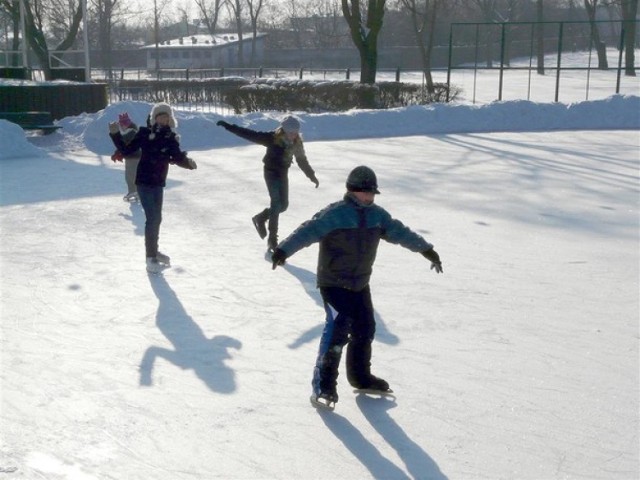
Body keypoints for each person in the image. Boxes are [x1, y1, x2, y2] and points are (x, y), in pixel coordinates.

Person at [271, 165, 443, 409]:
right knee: (338, 328)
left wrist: (426, 249)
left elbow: (399, 232)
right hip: (332, 282)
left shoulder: (377, 216)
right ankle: (324, 385)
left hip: (360, 282)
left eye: (372, 193)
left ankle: (360, 377)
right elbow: (308, 230)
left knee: (365, 327)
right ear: (352, 190)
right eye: (364, 192)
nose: (369, 197)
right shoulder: (336, 214)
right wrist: (283, 250)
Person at [109, 102, 197, 273]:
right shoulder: (144, 133)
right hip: (143, 181)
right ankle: (150, 258)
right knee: (152, 218)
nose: (164, 119)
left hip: (158, 183)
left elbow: (177, 157)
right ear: (154, 118)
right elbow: (127, 151)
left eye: (167, 116)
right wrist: (115, 135)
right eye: (161, 115)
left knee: (157, 219)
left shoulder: (170, 138)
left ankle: (154, 252)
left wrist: (188, 163)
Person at [216, 115, 319, 251]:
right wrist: (229, 126)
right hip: (270, 173)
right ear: (284, 130)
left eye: (295, 133)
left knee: (283, 206)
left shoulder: (297, 143)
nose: (293, 135)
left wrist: (311, 175)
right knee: (276, 204)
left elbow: (301, 160)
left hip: (282, 174)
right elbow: (250, 134)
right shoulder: (272, 138)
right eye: (291, 132)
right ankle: (272, 240)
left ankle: (260, 218)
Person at [110, 112, 141, 202]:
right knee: (131, 175)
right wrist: (118, 153)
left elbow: (126, 146)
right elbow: (123, 146)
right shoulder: (128, 132)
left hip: (134, 157)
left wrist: (119, 153)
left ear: (127, 124)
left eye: (123, 124)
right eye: (121, 125)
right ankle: (135, 191)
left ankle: (134, 191)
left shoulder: (131, 132)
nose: (122, 127)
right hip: (131, 157)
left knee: (130, 176)